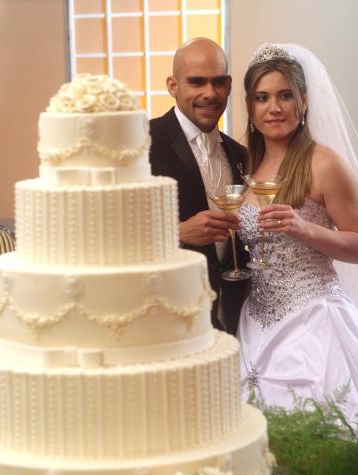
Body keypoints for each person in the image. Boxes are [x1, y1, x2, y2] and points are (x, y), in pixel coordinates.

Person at [238, 43, 358, 421]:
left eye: (285, 95)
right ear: (250, 107)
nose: (274, 107)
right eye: (262, 97)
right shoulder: (244, 165)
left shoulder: (324, 163)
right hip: (254, 321)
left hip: (313, 323)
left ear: (303, 102)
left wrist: (305, 229)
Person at [149, 38, 248, 335]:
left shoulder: (240, 155)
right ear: (173, 86)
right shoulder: (143, 143)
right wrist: (177, 232)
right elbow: (109, 231)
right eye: (196, 82)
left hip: (230, 319)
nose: (210, 93)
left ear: (229, 85)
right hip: (163, 316)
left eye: (218, 82)